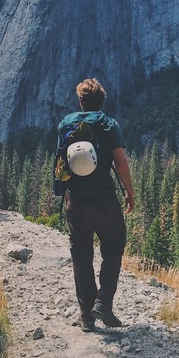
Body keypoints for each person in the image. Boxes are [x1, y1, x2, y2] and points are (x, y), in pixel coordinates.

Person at [57, 78, 136, 333]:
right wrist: (129, 192)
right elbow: (120, 162)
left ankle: (86, 316)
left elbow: (59, 163)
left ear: (80, 101)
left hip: (77, 201)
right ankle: (103, 302)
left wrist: (64, 193)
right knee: (113, 246)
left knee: (81, 256)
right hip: (104, 199)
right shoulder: (108, 124)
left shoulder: (66, 124)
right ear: (102, 102)